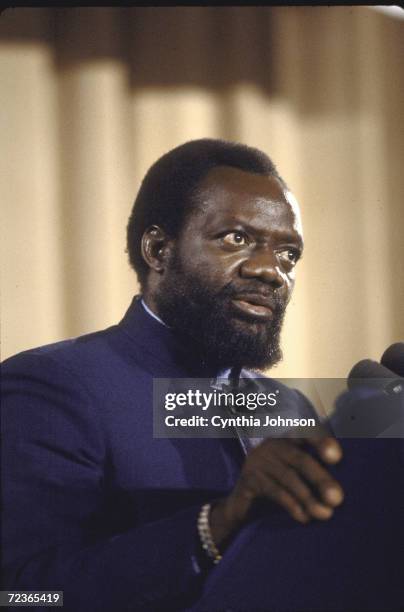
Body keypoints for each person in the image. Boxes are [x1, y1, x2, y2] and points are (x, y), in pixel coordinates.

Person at [2, 139, 345, 612]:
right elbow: (20, 594)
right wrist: (215, 526)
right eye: (236, 238)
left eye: (289, 254)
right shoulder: (52, 387)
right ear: (159, 249)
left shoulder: (290, 409)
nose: (272, 271)